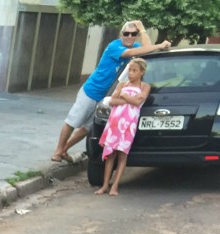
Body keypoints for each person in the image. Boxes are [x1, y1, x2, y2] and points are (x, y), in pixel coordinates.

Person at [51, 20, 169, 163]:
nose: (130, 37)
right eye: (127, 33)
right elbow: (132, 52)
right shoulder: (115, 46)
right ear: (121, 34)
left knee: (87, 128)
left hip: (104, 96)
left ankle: (64, 150)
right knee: (73, 121)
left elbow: (148, 48)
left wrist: (142, 29)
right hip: (91, 91)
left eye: (134, 34)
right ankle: (58, 151)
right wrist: (160, 45)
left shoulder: (137, 47)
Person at [95, 58, 150, 196]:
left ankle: (115, 186)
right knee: (110, 154)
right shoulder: (122, 84)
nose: (131, 73)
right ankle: (105, 185)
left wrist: (125, 96)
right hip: (115, 121)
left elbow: (138, 102)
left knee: (122, 156)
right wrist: (128, 100)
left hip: (129, 124)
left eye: (134, 71)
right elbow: (112, 101)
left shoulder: (144, 86)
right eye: (129, 70)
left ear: (142, 72)